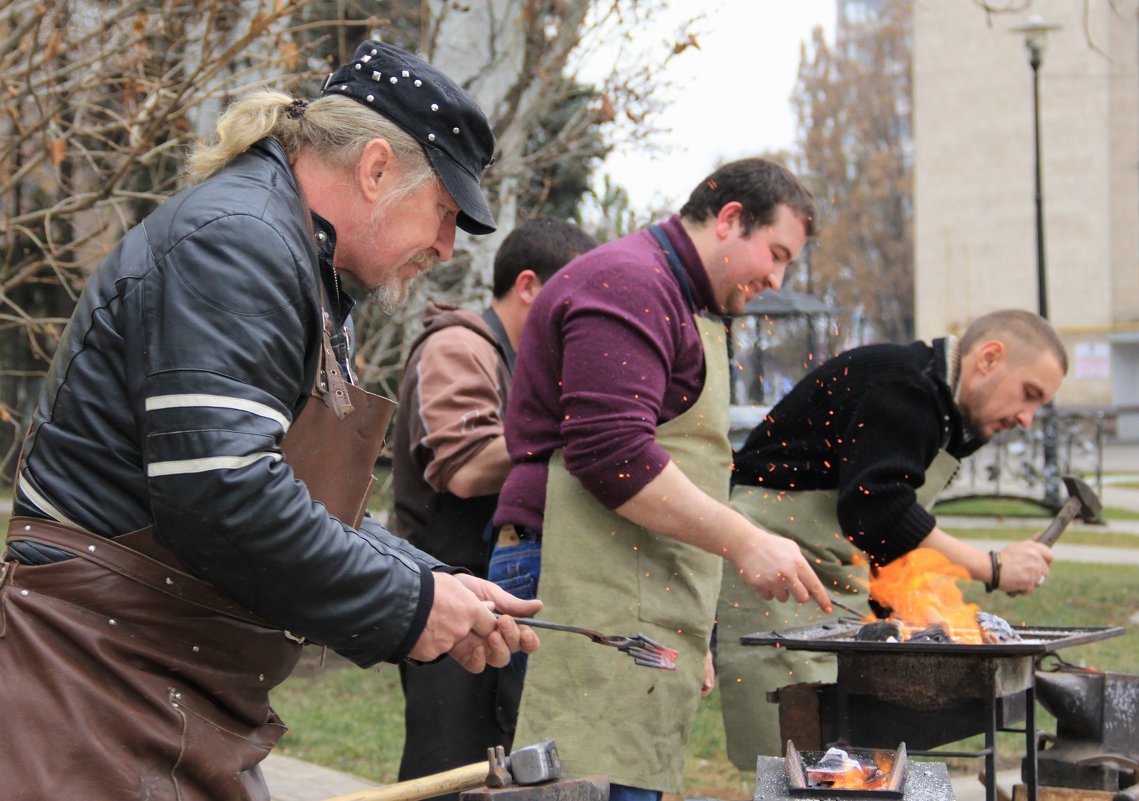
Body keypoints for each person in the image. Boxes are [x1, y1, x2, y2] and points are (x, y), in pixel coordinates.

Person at [0, 41, 542, 801]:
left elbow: (294, 501)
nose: (448, 247)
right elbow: (223, 493)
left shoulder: (301, 264)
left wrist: (434, 579)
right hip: (92, 672)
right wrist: (409, 606)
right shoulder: (240, 241)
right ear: (376, 167)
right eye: (446, 212)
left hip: (161, 676)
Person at [493, 158, 833, 801]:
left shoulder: (681, 299)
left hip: (633, 592)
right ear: (731, 219)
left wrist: (688, 629)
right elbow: (610, 452)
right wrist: (746, 540)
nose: (777, 277)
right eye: (776, 252)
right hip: (569, 582)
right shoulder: (630, 282)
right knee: (576, 786)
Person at [716, 308, 1066, 766]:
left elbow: (888, 535)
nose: (1027, 419)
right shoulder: (903, 387)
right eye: (1029, 395)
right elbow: (877, 510)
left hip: (838, 581)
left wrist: (910, 609)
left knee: (852, 764)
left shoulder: (943, 412)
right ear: (990, 359)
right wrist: (992, 566)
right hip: (779, 576)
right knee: (804, 767)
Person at [392, 217, 597, 788]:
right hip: (445, 590)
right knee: (451, 774)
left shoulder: (533, 364)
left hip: (499, 597)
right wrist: (582, 428)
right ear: (529, 285)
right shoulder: (459, 345)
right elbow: (464, 469)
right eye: (573, 294)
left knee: (506, 777)